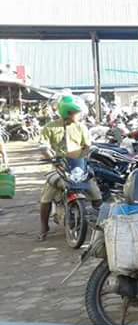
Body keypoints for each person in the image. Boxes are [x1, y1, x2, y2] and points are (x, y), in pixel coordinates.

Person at [38, 96, 102, 240]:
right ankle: (44, 226)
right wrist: (49, 155)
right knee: (46, 197)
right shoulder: (50, 127)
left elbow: (87, 146)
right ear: (67, 112)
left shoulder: (81, 127)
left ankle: (100, 222)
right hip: (58, 167)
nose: (79, 115)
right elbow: (43, 145)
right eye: (76, 113)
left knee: (96, 193)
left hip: (78, 167)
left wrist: (86, 154)